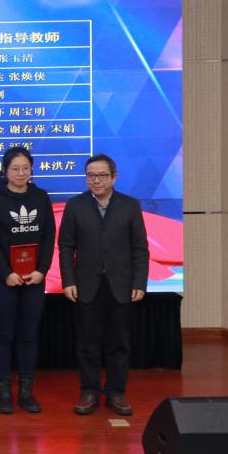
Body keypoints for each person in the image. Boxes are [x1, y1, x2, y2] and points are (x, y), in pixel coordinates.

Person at [58, 154, 149, 416]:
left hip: (121, 285)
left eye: (101, 175)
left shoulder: (130, 205)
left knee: (119, 343)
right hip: (86, 285)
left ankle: (116, 392)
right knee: (87, 343)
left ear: (114, 177)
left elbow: (139, 248)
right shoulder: (75, 206)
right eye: (91, 175)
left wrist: (139, 281)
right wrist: (69, 280)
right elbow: (66, 247)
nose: (96, 180)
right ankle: (89, 391)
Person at [0, 146, 55, 414]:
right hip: (4, 280)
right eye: (15, 168)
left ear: (31, 169)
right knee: (3, 334)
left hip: (34, 279)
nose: (21, 173)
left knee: (28, 335)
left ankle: (26, 390)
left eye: (25, 168)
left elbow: (48, 236)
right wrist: (6, 273)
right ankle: (3, 390)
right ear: (5, 171)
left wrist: (42, 270)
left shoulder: (41, 197)